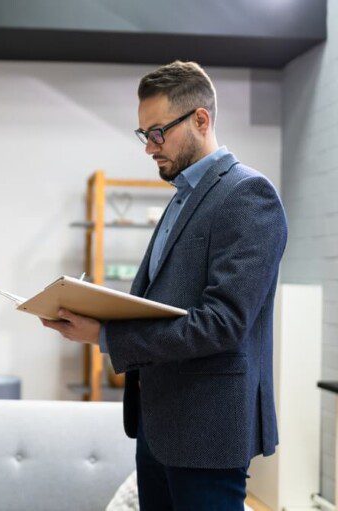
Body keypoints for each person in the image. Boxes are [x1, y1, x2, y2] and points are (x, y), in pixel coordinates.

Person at [40, 60, 288, 510]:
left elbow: (223, 323)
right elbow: (163, 300)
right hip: (158, 422)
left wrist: (106, 335)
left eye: (157, 132)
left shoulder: (248, 195)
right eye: (144, 135)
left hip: (206, 429)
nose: (149, 147)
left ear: (200, 119)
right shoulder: (184, 197)